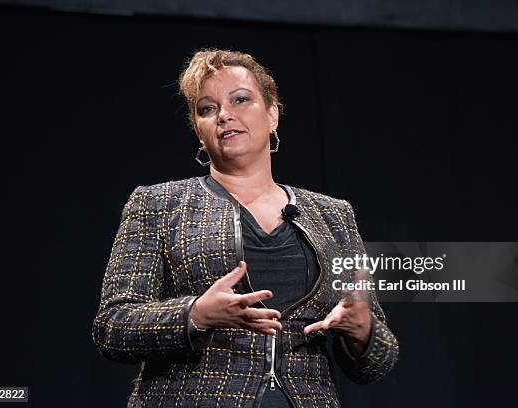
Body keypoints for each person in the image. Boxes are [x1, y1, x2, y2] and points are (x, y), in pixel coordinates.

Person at [92, 49, 398, 407]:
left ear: (272, 115)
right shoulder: (159, 204)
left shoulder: (333, 215)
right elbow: (113, 326)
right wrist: (196, 314)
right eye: (207, 109)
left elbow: (378, 360)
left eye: (240, 100)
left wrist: (361, 330)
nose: (224, 115)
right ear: (199, 132)